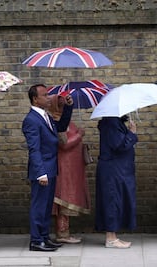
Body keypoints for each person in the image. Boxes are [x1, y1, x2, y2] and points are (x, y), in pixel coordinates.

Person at [22, 84, 73, 252]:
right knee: (39, 206)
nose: (49, 97)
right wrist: (40, 173)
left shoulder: (46, 116)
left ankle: (44, 237)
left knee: (46, 207)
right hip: (42, 171)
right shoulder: (31, 120)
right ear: (35, 99)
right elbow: (34, 149)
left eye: (48, 94)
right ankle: (36, 240)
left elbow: (61, 128)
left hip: (51, 168)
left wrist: (67, 107)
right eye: (45, 95)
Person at [48, 95, 91, 244]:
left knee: (66, 202)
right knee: (62, 203)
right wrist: (79, 135)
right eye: (61, 105)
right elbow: (64, 144)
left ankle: (65, 233)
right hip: (64, 168)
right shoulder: (56, 121)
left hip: (71, 169)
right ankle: (62, 234)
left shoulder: (65, 120)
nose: (63, 108)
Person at [94, 115, 137, 249]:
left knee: (115, 200)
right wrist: (132, 133)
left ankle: (113, 236)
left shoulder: (114, 122)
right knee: (112, 201)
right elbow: (119, 146)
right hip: (112, 170)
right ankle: (110, 238)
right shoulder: (111, 123)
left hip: (115, 169)